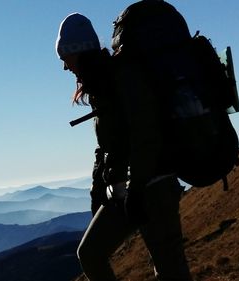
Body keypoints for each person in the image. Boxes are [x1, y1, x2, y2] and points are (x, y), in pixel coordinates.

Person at [55, 12, 193, 281]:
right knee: (90, 253)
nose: (65, 67)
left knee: (169, 267)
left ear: (77, 50)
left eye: (65, 58)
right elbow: (110, 143)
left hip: (153, 183)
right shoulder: (101, 84)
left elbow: (145, 133)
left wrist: (138, 188)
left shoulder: (122, 76)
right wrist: (100, 187)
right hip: (129, 189)